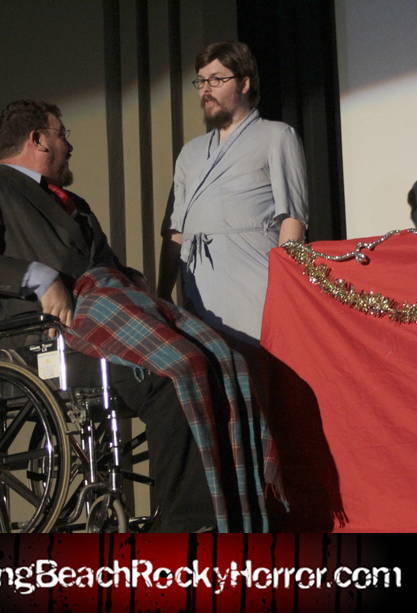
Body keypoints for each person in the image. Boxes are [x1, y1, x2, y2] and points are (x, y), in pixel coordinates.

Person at [0, 99, 275, 532]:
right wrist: (41, 278)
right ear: (38, 140)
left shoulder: (74, 204)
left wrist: (137, 289)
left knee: (225, 363)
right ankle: (189, 527)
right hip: (53, 339)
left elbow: (109, 268)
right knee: (175, 372)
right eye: (62, 134)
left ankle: (238, 515)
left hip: (110, 322)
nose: (69, 146)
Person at [157, 41, 309, 405]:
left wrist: (285, 293)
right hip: (198, 289)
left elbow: (292, 218)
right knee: (210, 395)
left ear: (244, 83)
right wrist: (161, 297)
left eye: (216, 79)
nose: (206, 89)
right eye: (201, 81)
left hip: (254, 285)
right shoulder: (190, 152)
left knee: (258, 390)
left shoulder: (276, 136)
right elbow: (175, 232)